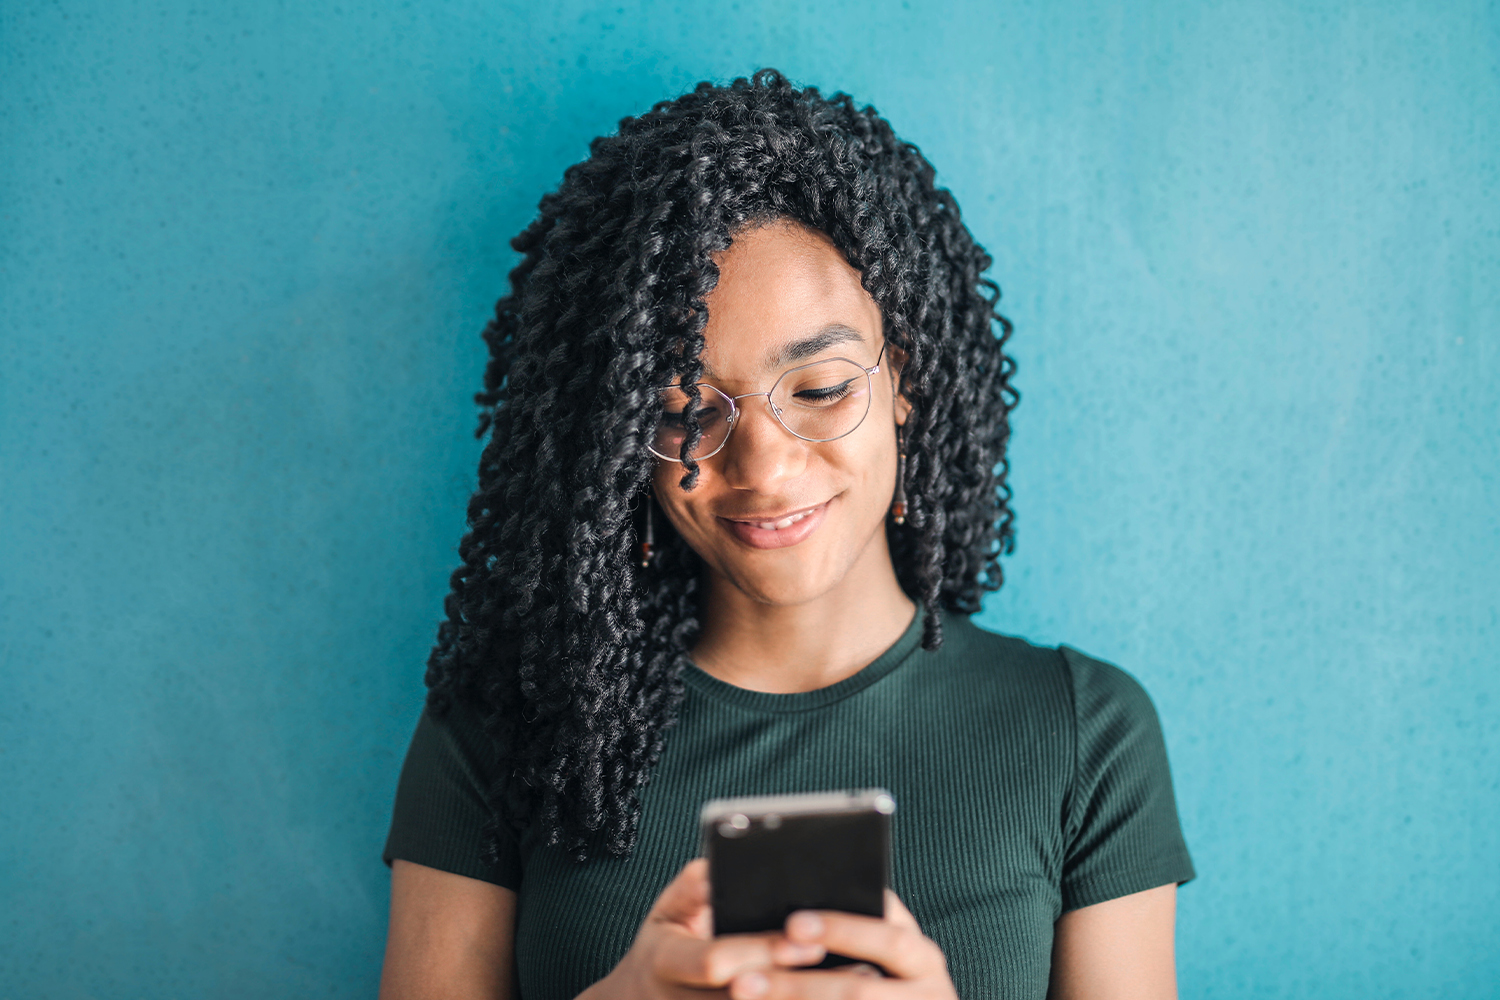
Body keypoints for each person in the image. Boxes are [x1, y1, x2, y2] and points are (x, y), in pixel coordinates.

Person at [378, 69, 1194, 1000]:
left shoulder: (1082, 731)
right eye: (685, 412)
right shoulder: (502, 727)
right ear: (618, 439)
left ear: (908, 382)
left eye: (820, 389)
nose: (763, 468)